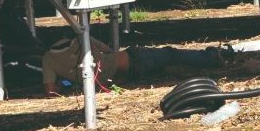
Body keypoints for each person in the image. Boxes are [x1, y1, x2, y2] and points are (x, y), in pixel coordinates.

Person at [41, 38, 229, 96]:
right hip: (132, 59)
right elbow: (110, 50)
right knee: (171, 55)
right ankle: (213, 57)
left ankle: (211, 60)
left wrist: (67, 83)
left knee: (171, 67)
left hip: (128, 76)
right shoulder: (82, 39)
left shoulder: (48, 60)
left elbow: (51, 91)